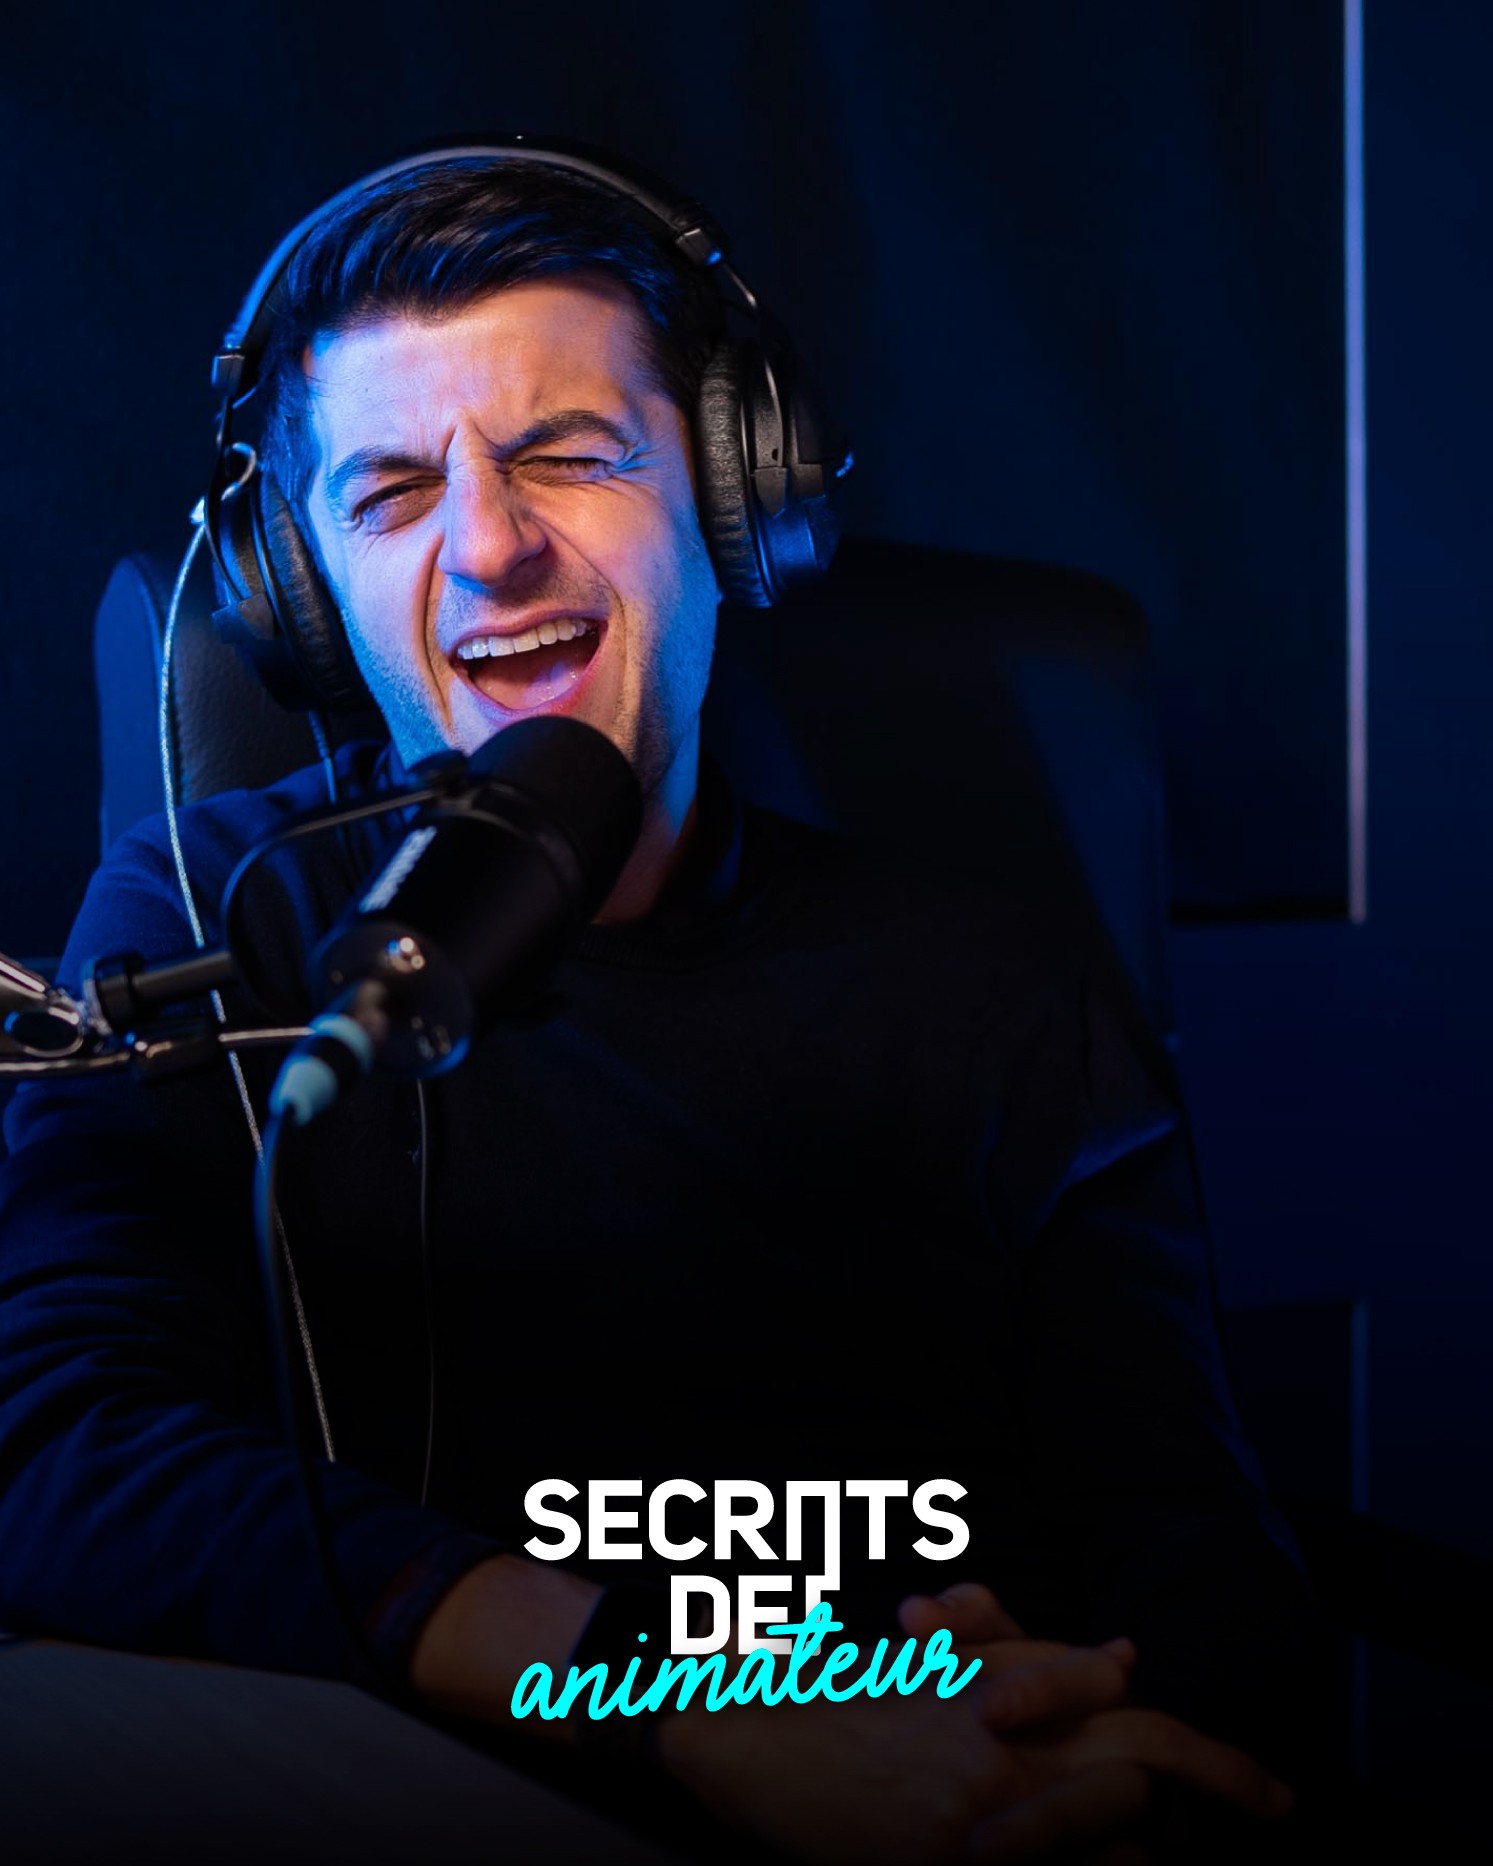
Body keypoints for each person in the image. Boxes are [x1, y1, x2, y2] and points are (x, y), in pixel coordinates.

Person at [0, 144, 1326, 1862]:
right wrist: (660, 1697)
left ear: (733, 504)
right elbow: (47, 1435)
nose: (486, 545)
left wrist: (1052, 1756)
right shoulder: (214, 919)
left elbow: (1194, 1562)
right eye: (391, 492)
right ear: (301, 581)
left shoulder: (998, 986)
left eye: (565, 454)